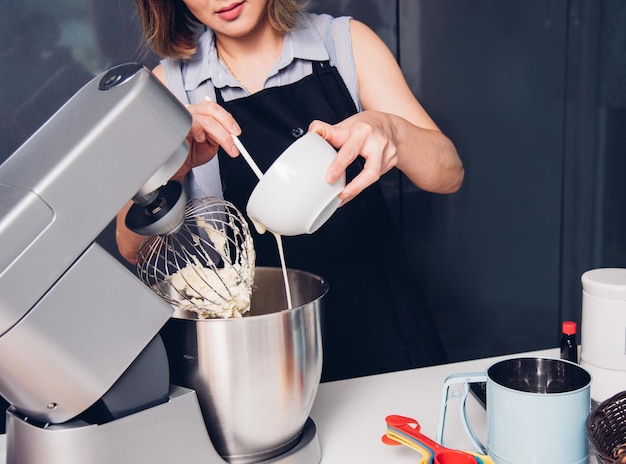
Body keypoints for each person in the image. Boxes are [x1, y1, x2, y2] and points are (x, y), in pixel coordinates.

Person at [118, 0, 464, 381]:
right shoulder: (170, 88)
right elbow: (131, 247)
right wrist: (174, 167)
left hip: (385, 336)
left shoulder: (344, 44)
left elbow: (448, 175)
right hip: (263, 364)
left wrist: (393, 131)